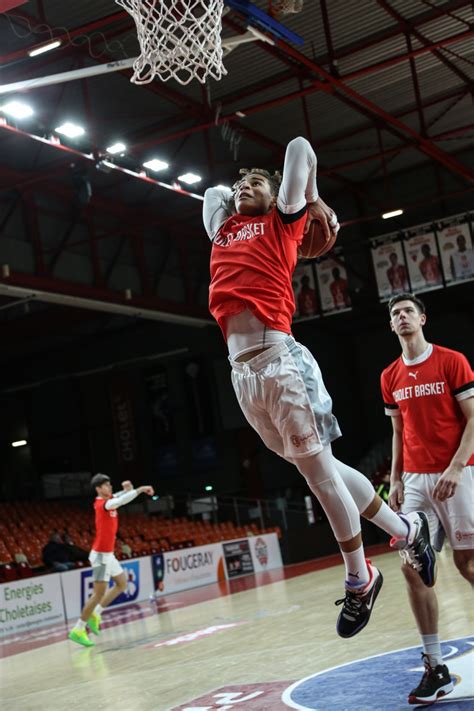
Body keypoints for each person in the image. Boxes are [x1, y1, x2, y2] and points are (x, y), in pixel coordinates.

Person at [203, 136, 435, 639]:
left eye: (256, 182)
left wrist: (309, 198)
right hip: (241, 374)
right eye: (242, 183)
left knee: (316, 474)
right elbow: (212, 192)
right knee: (322, 467)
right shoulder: (223, 228)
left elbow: (303, 146)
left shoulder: (282, 222)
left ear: (279, 195)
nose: (244, 187)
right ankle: (408, 531)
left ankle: (360, 576)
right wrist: (243, 187)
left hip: (279, 361)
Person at [381, 292, 473, 705]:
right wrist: (395, 479)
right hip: (415, 480)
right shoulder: (389, 376)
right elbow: (398, 432)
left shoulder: (452, 360)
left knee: (467, 563)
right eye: (395, 313)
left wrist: (455, 467)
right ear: (392, 325)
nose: (401, 317)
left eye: (407, 311)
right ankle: (435, 667)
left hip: (460, 473)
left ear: (422, 318)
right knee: (411, 567)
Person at [68, 475, 154, 647]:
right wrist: (140, 489)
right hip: (100, 556)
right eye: (106, 486)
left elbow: (121, 495)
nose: (109, 488)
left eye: (110, 485)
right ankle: (78, 629)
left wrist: (128, 488)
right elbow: (121, 501)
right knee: (98, 594)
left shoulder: (109, 498)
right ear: (99, 489)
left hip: (108, 555)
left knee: (122, 584)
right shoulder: (103, 504)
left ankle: (96, 613)